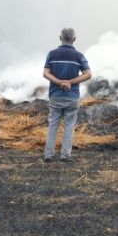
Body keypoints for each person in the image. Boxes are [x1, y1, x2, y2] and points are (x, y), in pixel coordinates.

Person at [43, 28, 92, 163]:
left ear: (60, 37)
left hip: (55, 96)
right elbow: (88, 74)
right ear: (74, 39)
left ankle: (48, 155)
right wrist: (70, 82)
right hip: (72, 97)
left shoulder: (52, 54)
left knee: (53, 125)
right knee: (69, 127)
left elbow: (45, 73)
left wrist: (59, 82)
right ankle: (65, 156)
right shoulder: (79, 56)